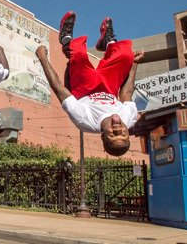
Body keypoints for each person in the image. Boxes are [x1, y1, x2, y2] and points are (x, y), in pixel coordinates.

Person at [35, 12, 143, 157]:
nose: (118, 131)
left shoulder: (84, 121)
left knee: (78, 54)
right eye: (123, 135)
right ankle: (107, 42)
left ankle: (66, 39)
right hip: (110, 88)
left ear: (102, 136)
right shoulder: (130, 118)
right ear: (128, 133)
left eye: (112, 136)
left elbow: (60, 89)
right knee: (126, 55)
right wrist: (134, 64)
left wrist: (43, 58)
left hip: (84, 89)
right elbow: (127, 93)